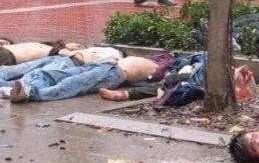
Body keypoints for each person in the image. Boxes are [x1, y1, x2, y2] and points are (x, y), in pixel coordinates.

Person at [8, 54, 174, 103]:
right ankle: (15, 89)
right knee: (54, 75)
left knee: (72, 84)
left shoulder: (166, 70)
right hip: (103, 65)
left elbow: (165, 82)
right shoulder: (162, 60)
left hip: (114, 74)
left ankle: (32, 94)